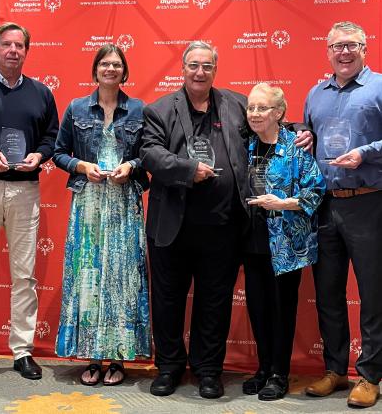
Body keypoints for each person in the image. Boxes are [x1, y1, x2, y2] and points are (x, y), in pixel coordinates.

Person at [140, 41, 313, 399]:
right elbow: (150, 154)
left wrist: (298, 130)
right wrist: (188, 170)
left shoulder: (235, 104)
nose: (200, 72)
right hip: (172, 226)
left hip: (224, 227)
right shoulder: (158, 110)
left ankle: (208, 370)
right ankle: (169, 367)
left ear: (215, 71)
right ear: (182, 69)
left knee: (214, 301)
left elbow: (266, 123)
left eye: (206, 66)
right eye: (193, 66)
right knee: (168, 299)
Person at [0, 22, 59, 385]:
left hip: (24, 190)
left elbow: (52, 136)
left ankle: (22, 350)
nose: (13, 50)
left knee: (24, 275)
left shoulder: (41, 93)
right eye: (7, 44)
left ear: (26, 51)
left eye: (20, 45)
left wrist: (40, 155)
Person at [54, 44, 151, 386]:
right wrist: (81, 165)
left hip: (124, 204)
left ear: (125, 71)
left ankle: (120, 356)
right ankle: (93, 356)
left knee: (123, 278)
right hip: (89, 205)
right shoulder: (76, 107)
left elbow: (149, 154)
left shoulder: (139, 110)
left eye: (116, 64)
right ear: (95, 70)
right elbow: (57, 152)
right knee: (90, 274)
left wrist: (131, 165)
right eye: (104, 64)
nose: (110, 69)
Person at [304, 21, 382, 408]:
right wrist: (307, 138)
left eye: (351, 45)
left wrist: (366, 153)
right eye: (337, 46)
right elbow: (312, 137)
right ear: (328, 51)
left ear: (364, 47)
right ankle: (335, 369)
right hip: (325, 204)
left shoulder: (380, 87)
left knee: (372, 292)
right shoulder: (316, 93)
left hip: (369, 202)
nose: (344, 52)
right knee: (328, 293)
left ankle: (370, 375)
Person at [242, 83, 325, 401]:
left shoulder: (295, 147)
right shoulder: (246, 146)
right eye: (251, 107)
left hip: (286, 244)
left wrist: (282, 203)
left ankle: (279, 373)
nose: (255, 113)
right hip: (251, 241)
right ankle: (263, 369)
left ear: (279, 113)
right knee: (258, 308)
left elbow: (315, 191)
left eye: (262, 108)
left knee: (281, 309)